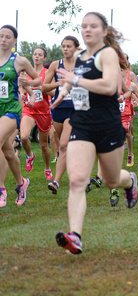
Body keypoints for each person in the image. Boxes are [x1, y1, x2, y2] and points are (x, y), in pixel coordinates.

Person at [52, 12, 138, 254]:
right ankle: (75, 236)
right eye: (83, 26)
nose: (87, 30)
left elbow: (110, 86)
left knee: (111, 180)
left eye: (93, 26)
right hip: (82, 124)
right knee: (78, 180)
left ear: (104, 31)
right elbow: (73, 79)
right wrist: (63, 92)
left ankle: (129, 180)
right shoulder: (80, 56)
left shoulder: (107, 54)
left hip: (107, 125)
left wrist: (75, 80)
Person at [0, 25, 40, 207]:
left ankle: (1, 190)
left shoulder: (20, 61)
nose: (3, 39)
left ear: (14, 40)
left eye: (8, 37)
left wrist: (28, 83)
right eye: (1, 36)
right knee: (7, 152)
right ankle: (21, 183)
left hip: (12, 109)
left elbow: (38, 80)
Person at [43, 35, 80, 194]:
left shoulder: (83, 65)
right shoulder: (55, 65)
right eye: (63, 46)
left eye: (69, 46)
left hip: (76, 109)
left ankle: (56, 182)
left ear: (76, 48)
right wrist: (59, 83)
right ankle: (78, 172)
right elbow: (44, 87)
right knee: (65, 146)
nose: (65, 49)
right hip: (58, 109)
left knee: (64, 145)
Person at [19, 46, 53, 180]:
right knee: (23, 137)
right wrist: (22, 95)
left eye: (40, 55)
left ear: (44, 58)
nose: (37, 56)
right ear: (32, 57)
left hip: (43, 111)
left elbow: (53, 92)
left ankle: (47, 169)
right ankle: (29, 155)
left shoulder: (47, 72)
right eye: (35, 54)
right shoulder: (26, 72)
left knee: (44, 145)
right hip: (29, 110)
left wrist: (41, 88)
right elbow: (22, 87)